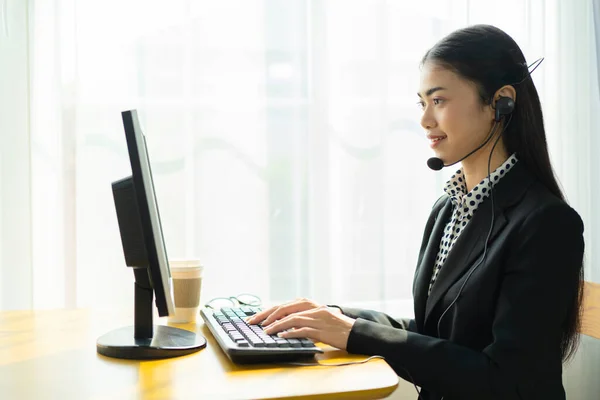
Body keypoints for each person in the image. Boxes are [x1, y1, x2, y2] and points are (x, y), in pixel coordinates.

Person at [246, 24, 585, 400]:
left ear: (499, 103)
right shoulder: (450, 206)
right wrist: (330, 316)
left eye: (438, 101)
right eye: (421, 102)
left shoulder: (547, 224)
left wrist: (354, 333)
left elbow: (507, 382)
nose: (425, 120)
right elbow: (433, 334)